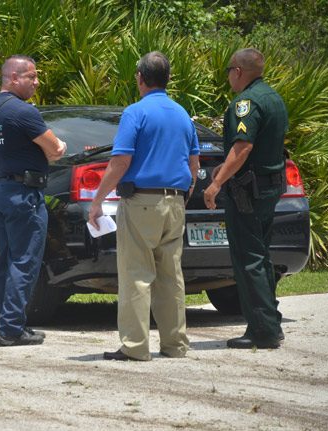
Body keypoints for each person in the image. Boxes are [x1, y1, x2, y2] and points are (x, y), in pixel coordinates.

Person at [88, 51, 199, 361]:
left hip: (141, 201)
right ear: (168, 79)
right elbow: (194, 165)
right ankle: (175, 344)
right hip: (175, 202)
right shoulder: (181, 114)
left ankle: (135, 346)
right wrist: (183, 195)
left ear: (140, 77)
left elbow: (121, 160)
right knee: (170, 275)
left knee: (137, 273)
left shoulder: (135, 113)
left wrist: (97, 201)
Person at [203, 48, 288, 350]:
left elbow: (242, 148)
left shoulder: (246, 103)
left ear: (237, 71)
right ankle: (269, 323)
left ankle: (262, 331)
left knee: (249, 259)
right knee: (261, 257)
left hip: (248, 193)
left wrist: (216, 183)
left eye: (228, 71)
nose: (227, 76)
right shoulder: (273, 97)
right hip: (268, 187)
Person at [0, 55, 66, 347]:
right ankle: (11, 328)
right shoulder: (23, 112)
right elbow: (55, 148)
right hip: (23, 195)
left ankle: (6, 322)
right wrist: (61, 146)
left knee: (5, 261)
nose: (37, 82)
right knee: (24, 260)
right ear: (14, 78)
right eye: (31, 77)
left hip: (1, 189)